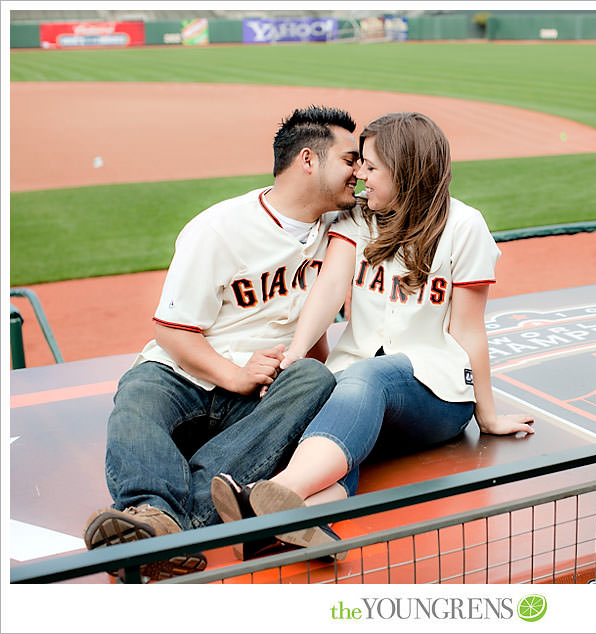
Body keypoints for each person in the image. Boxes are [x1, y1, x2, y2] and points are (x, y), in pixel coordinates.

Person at [211, 112, 534, 558]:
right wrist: (297, 354)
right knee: (345, 424)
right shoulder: (360, 219)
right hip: (357, 383)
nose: (359, 175)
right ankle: (292, 521)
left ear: (404, 171)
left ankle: (271, 493)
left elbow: (469, 330)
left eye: (370, 166)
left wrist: (488, 415)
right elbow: (327, 292)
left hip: (436, 394)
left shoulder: (464, 226)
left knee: (369, 377)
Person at [81, 105, 361, 581]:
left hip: (261, 395)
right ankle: (155, 511)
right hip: (185, 375)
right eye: (350, 160)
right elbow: (171, 331)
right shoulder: (219, 228)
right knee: (137, 393)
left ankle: (162, 529)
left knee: (315, 378)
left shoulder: (339, 229)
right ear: (309, 160)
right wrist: (234, 374)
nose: (358, 172)